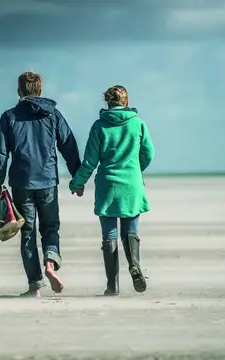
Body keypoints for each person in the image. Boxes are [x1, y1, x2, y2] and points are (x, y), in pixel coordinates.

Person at [0, 71, 82, 297]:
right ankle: (50, 264)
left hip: (22, 183)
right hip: (48, 181)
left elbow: (1, 153)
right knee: (50, 227)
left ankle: (35, 285)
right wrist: (77, 177)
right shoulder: (53, 115)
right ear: (40, 91)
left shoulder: (9, 116)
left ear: (19, 91)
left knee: (28, 232)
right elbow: (68, 145)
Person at [69, 85, 155, 296]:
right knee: (131, 231)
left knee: (109, 234)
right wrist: (135, 170)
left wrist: (77, 183)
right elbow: (149, 154)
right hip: (131, 185)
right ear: (126, 102)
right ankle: (134, 264)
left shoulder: (99, 126)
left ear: (107, 103)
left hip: (107, 185)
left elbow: (89, 162)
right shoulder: (138, 124)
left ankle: (112, 286)